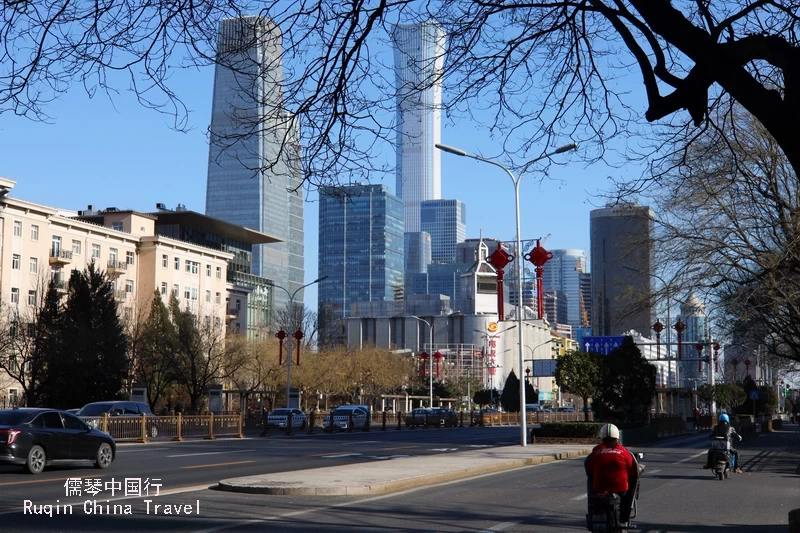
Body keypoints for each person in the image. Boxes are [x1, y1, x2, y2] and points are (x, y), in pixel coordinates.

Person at [584, 423, 640, 526]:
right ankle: (624, 518)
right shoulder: (623, 451)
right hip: (621, 490)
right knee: (633, 483)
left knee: (590, 480)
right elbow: (632, 472)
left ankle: (592, 515)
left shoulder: (596, 451)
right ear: (617, 437)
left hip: (599, 489)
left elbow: (589, 470)